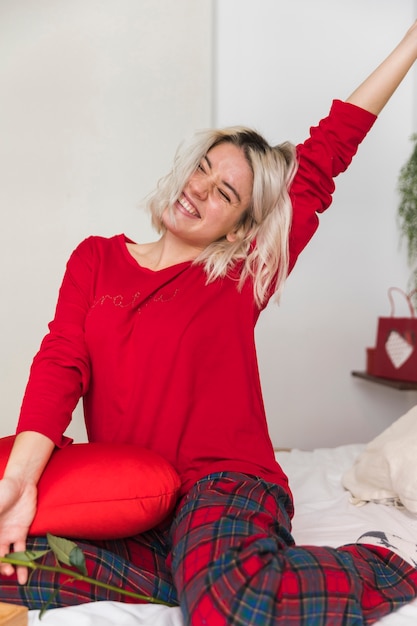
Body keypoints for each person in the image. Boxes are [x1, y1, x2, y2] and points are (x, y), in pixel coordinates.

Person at [0, 19, 417, 626]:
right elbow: (61, 363)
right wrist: (20, 487)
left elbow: (328, 152)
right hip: (141, 501)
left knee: (227, 607)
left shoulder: (242, 272)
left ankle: (383, 564)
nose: (199, 189)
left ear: (241, 227)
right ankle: (190, 571)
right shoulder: (96, 258)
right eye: (204, 169)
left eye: (225, 193)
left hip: (224, 486)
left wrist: (410, 45)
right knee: (16, 570)